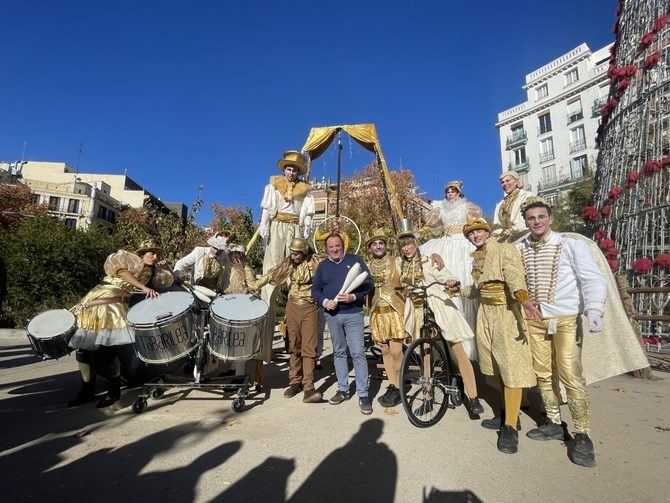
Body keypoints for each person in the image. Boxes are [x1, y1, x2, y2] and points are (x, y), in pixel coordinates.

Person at [516, 197, 606, 467]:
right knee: (543, 373)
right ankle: (554, 422)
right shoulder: (520, 248)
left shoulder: (570, 245)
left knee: (569, 373)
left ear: (550, 218)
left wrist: (594, 309)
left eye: (541, 216)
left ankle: (582, 434)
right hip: (535, 319)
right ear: (526, 222)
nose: (537, 222)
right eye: (531, 218)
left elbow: (591, 277)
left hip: (565, 318)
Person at [459, 218, 539, 454]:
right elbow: (476, 290)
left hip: (504, 312)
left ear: (487, 232)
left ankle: (510, 428)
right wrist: (456, 289)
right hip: (485, 314)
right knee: (493, 368)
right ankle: (507, 413)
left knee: (510, 368)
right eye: (471, 234)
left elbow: (515, 277)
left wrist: (524, 300)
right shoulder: (478, 259)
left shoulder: (504, 249)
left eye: (479, 231)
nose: (475, 236)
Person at [68, 241, 174, 407]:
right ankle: (87, 390)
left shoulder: (153, 272)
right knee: (84, 350)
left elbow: (168, 282)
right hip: (94, 300)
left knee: (108, 349)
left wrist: (166, 266)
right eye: (151, 253)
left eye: (156, 254)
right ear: (141, 254)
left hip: (114, 304)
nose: (154, 257)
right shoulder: (129, 260)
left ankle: (113, 392)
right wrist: (143, 288)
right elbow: (121, 272)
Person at [396, 220, 484, 416]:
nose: (407, 248)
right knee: (425, 356)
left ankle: (473, 397)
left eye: (409, 243)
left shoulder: (429, 260)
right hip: (419, 312)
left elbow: (445, 275)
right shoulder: (400, 264)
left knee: (457, 351)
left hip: (438, 308)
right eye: (403, 245)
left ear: (416, 244)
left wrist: (451, 281)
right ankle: (428, 398)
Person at [259, 150, 315, 364]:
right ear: (284, 169)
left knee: (298, 277)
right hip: (277, 227)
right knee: (271, 277)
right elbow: (267, 209)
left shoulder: (305, 191)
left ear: (299, 172)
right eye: (289, 168)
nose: (291, 172)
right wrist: (264, 224)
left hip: (295, 230)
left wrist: (306, 227)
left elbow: (307, 214)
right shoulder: (273, 186)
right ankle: (264, 347)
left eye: (295, 169)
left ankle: (298, 347)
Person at [312, 233, 374, 414]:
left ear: (342, 245)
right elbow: (315, 290)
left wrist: (353, 296)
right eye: (330, 247)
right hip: (333, 315)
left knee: (357, 353)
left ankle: (363, 394)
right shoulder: (323, 267)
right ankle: (343, 389)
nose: (334, 249)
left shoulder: (355, 260)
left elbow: (368, 283)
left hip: (353, 314)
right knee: (339, 352)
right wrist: (324, 302)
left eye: (337, 245)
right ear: (326, 249)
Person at [420, 180, 482, 358]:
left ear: (459, 192)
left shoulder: (467, 206)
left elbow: (476, 223)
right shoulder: (441, 208)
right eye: (447, 191)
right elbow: (432, 225)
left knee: (466, 277)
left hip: (463, 244)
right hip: (445, 244)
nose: (450, 194)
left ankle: (470, 344)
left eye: (453, 191)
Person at [255, 238, 322, 403]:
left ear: (304, 252)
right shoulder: (289, 264)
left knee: (309, 347)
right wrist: (256, 286)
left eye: (296, 253)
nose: (293, 255)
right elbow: (271, 274)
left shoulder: (315, 263)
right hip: (292, 307)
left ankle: (308, 387)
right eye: (292, 252)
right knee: (293, 345)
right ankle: (294, 382)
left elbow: (328, 277)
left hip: (310, 307)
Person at [365, 229, 407, 408]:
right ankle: (392, 384)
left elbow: (412, 268)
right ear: (370, 248)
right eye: (374, 244)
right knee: (385, 351)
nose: (378, 246)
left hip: (394, 308)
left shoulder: (395, 261)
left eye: (381, 243)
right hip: (377, 311)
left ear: (385, 245)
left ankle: (400, 386)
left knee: (397, 350)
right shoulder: (366, 266)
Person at [492, 171, 535, 243]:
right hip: (508, 241)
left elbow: (532, 218)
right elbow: (497, 225)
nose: (505, 184)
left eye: (507, 180)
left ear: (516, 182)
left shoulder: (528, 196)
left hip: (527, 238)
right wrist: (495, 235)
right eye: (502, 182)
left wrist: (514, 229)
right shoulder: (500, 204)